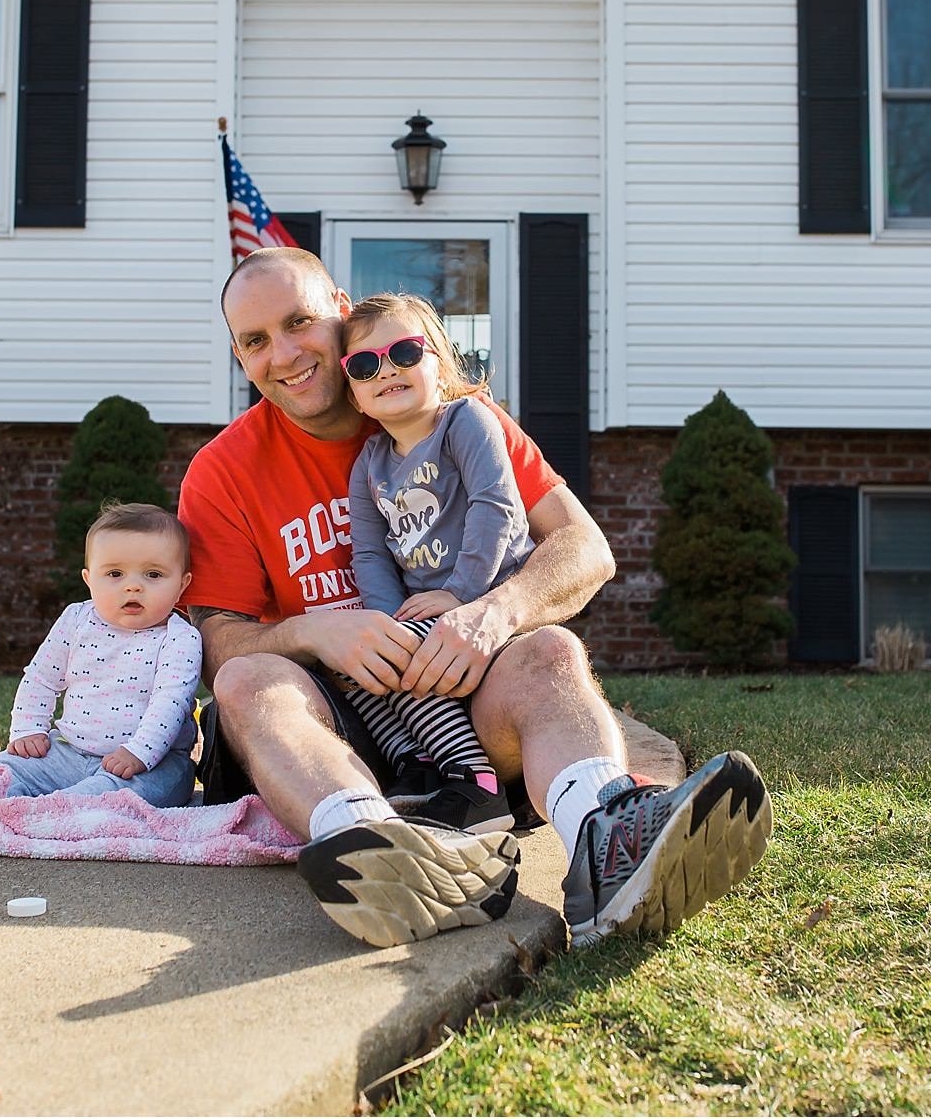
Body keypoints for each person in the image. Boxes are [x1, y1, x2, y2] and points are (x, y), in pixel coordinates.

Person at [177, 247, 772, 949]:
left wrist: (494, 612)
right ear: (240, 358)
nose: (284, 353)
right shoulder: (222, 473)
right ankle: (377, 849)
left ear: (342, 311)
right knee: (249, 678)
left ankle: (611, 843)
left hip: (465, 706)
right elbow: (220, 648)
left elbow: (585, 550)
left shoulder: (451, 415)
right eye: (255, 341)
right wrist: (317, 632)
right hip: (338, 720)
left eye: (299, 321)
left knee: (549, 648)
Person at [337, 291, 535, 837]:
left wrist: (460, 593)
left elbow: (495, 506)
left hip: (487, 597)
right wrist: (384, 622)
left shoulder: (465, 422)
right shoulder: (370, 464)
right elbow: (371, 551)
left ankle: (475, 782)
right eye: (363, 364)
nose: (386, 371)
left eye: (404, 353)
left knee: (415, 649)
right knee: (360, 669)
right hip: (422, 612)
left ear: (440, 365)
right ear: (354, 394)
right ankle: (415, 765)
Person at [0, 502, 202, 806]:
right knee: (5, 771)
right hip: (70, 752)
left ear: (182, 585)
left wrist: (139, 752)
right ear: (89, 581)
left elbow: (170, 703)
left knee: (117, 796)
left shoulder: (180, 639)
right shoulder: (76, 620)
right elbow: (41, 678)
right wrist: (29, 729)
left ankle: (59, 810)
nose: (133, 587)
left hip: (152, 764)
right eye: (115, 573)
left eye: (153, 575)